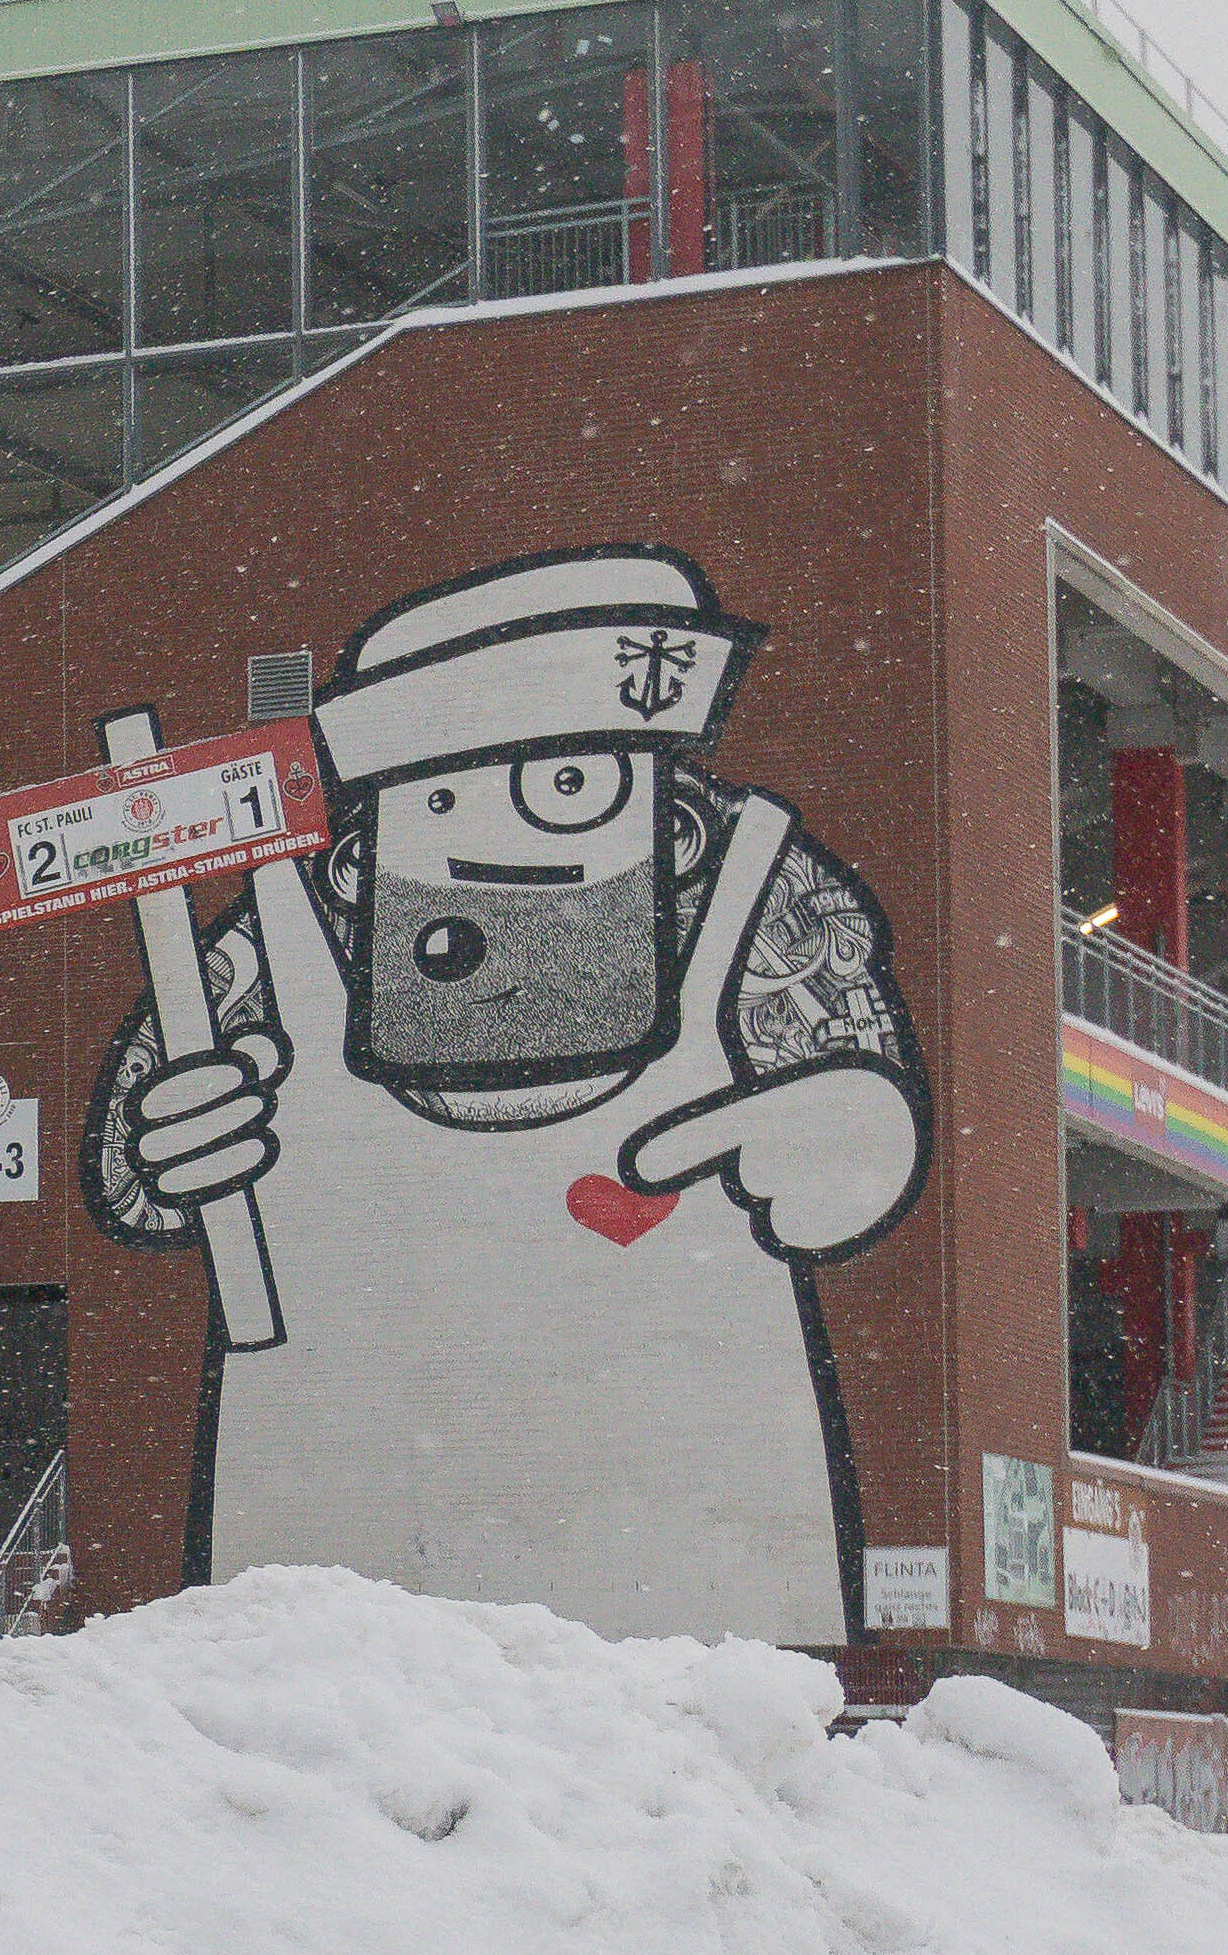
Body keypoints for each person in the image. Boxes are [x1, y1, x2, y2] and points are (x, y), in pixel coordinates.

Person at [84, 546, 919, 1639]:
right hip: (330, 1645)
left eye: (568, 788)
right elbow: (136, 1165)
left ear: (657, 806)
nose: (499, 848)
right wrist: (164, 1149)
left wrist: (852, 1142)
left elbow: (861, 1099)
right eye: (440, 793)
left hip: (706, 1623)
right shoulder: (288, 939)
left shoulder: (757, 898)